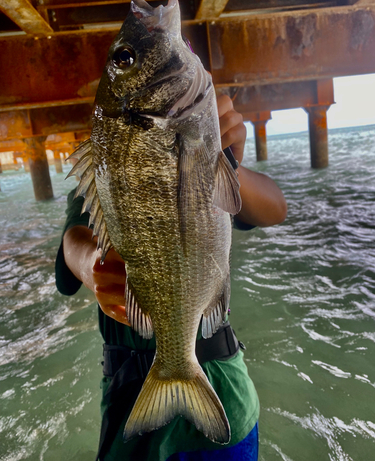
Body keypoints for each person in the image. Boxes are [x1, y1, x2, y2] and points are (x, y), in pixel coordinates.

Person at [55, 95, 287, 461]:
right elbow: (74, 238)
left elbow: (275, 207)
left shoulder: (207, 162)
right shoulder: (106, 175)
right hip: (131, 401)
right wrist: (90, 265)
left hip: (221, 390)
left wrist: (228, 162)